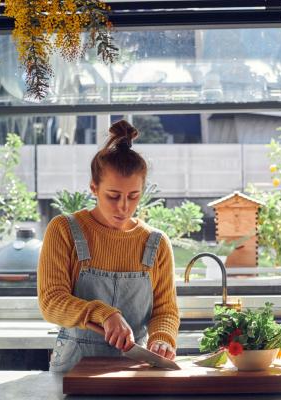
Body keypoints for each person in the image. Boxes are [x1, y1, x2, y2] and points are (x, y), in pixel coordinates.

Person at [38, 119, 179, 372]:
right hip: (74, 367)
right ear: (94, 187)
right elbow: (51, 302)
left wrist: (162, 340)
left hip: (136, 367)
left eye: (133, 196)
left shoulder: (156, 243)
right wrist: (105, 314)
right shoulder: (64, 230)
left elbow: (165, 310)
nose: (124, 206)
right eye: (113, 196)